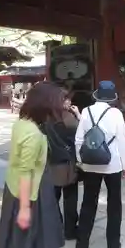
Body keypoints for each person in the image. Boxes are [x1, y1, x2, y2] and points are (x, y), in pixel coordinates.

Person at [0, 82, 64, 248]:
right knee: (33, 239)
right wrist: (25, 208)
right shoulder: (33, 134)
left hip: (14, 188)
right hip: (33, 192)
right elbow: (25, 171)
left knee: (14, 238)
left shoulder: (22, 122)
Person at [75, 80, 125, 248]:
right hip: (112, 164)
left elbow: (78, 140)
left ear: (97, 95)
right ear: (112, 98)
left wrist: (80, 160)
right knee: (114, 205)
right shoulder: (116, 114)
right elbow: (122, 141)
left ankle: (82, 242)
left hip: (90, 164)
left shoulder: (86, 112)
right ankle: (113, 243)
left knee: (88, 203)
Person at [48, 92, 81, 240]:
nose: (69, 103)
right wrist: (78, 114)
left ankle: (56, 227)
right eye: (67, 100)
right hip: (68, 165)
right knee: (70, 198)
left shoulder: (46, 118)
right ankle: (70, 230)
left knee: (53, 199)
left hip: (52, 164)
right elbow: (82, 135)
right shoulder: (69, 118)